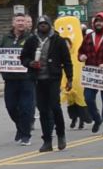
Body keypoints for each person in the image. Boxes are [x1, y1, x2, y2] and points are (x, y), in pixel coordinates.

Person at [21, 15, 74, 152]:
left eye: (45, 24)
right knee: (43, 110)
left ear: (50, 25)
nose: (43, 26)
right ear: (37, 26)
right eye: (40, 24)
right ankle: (47, 141)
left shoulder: (58, 41)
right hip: (38, 79)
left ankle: (61, 134)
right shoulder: (32, 41)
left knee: (55, 106)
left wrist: (69, 78)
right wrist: (29, 63)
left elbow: (67, 61)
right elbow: (23, 57)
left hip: (53, 78)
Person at [0, 13, 35, 146]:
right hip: (10, 79)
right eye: (18, 21)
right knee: (11, 107)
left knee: (26, 107)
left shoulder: (31, 38)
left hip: (26, 79)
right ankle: (20, 127)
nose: (20, 23)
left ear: (26, 24)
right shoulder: (5, 39)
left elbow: (35, 55)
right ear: (13, 23)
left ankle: (26, 135)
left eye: (23, 21)